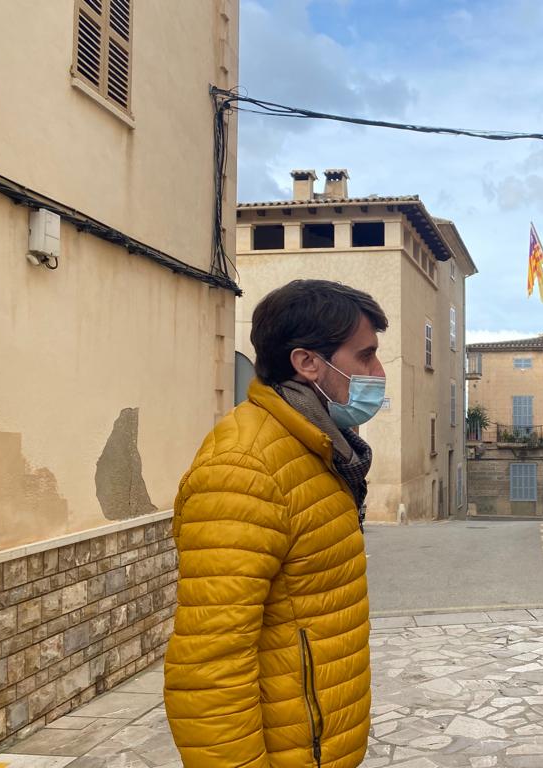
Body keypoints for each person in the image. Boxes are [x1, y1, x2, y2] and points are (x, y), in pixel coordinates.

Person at [164, 279, 388, 768]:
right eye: (366, 356)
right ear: (307, 362)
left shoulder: (319, 447)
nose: (379, 373)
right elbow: (210, 663)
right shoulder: (245, 468)